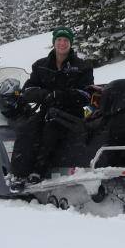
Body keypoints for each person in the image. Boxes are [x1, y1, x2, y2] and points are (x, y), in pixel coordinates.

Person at [9, 27, 94, 191]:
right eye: (59, 40)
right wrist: (43, 95)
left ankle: (38, 171)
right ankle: (18, 174)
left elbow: (85, 94)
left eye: (66, 41)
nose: (62, 43)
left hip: (71, 113)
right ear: (54, 42)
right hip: (47, 109)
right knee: (28, 127)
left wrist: (59, 96)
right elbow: (28, 90)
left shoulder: (82, 66)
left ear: (71, 44)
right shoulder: (40, 66)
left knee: (52, 127)